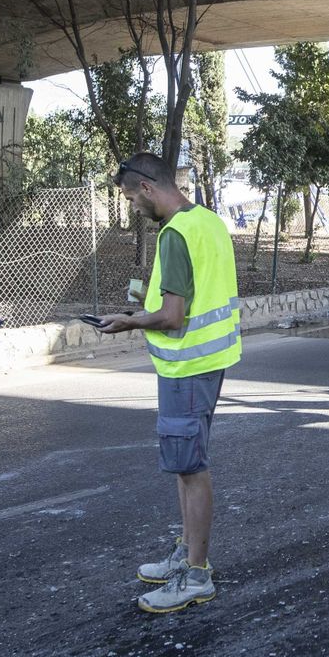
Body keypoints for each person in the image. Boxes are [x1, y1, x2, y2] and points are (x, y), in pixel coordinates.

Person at [96, 153, 242, 614]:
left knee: (191, 469)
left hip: (186, 367)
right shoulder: (207, 221)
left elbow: (173, 316)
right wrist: (148, 302)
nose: (132, 207)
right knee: (186, 465)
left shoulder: (175, 233)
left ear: (147, 188)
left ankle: (196, 574)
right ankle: (187, 551)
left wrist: (130, 320)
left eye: (130, 198)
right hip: (208, 361)